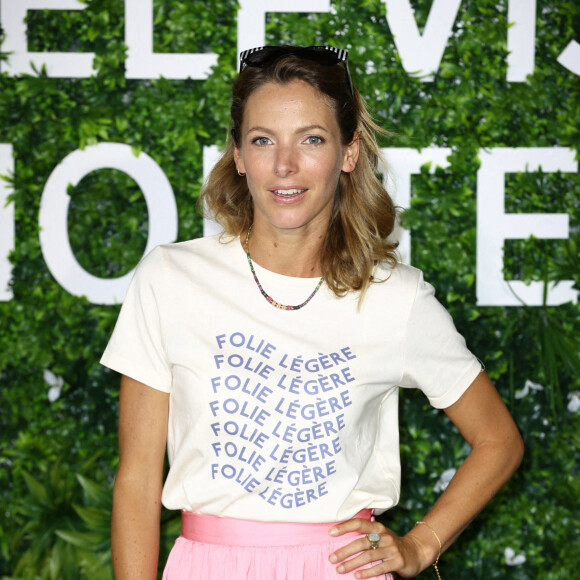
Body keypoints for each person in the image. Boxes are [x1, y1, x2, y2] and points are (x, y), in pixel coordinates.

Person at [101, 45, 524, 579]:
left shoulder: (395, 298)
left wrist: (421, 545)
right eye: (262, 140)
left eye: (312, 139)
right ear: (237, 154)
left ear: (348, 152)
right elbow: (137, 480)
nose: (284, 165)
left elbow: (498, 440)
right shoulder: (170, 278)